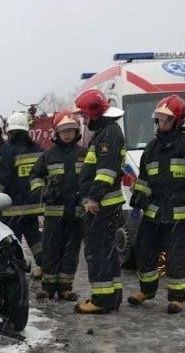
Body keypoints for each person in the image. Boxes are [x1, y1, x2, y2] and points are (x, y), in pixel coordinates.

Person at [128, 95, 185, 314]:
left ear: (178, 120)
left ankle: (176, 298)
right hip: (153, 212)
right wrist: (137, 202)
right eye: (159, 119)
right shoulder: (151, 148)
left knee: (176, 256)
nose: (161, 123)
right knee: (144, 251)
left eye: (166, 119)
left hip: (178, 213)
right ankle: (146, 290)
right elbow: (144, 179)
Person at [74, 89, 127, 314]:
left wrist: (94, 197)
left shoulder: (108, 135)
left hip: (102, 205)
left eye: (85, 116)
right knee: (107, 251)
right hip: (105, 204)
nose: (84, 120)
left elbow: (105, 172)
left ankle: (101, 300)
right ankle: (112, 296)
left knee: (97, 251)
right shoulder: (108, 131)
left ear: (95, 114)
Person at [30, 110, 86, 301]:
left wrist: (85, 195)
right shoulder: (47, 156)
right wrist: (43, 192)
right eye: (64, 130)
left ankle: (65, 287)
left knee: (71, 251)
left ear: (76, 131)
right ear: (56, 132)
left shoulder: (85, 155)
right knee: (51, 249)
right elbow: (35, 176)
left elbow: (91, 179)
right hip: (54, 213)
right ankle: (47, 287)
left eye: (71, 130)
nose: (68, 134)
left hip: (77, 213)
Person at [0, 112, 44, 275]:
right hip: (34, 206)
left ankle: (17, 269)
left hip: (14, 208)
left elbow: (2, 179)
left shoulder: (9, 151)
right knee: (36, 240)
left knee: (14, 241)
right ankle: (45, 267)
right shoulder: (38, 149)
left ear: (11, 132)